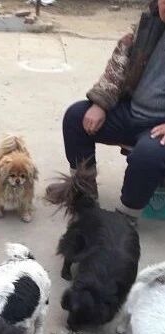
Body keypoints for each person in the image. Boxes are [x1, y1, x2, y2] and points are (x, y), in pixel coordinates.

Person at [50, 0, 165, 223]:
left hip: (159, 125)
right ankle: (84, 198)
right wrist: (100, 103)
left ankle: (126, 218)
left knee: (147, 156)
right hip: (131, 110)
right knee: (76, 117)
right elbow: (120, 62)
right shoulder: (149, 20)